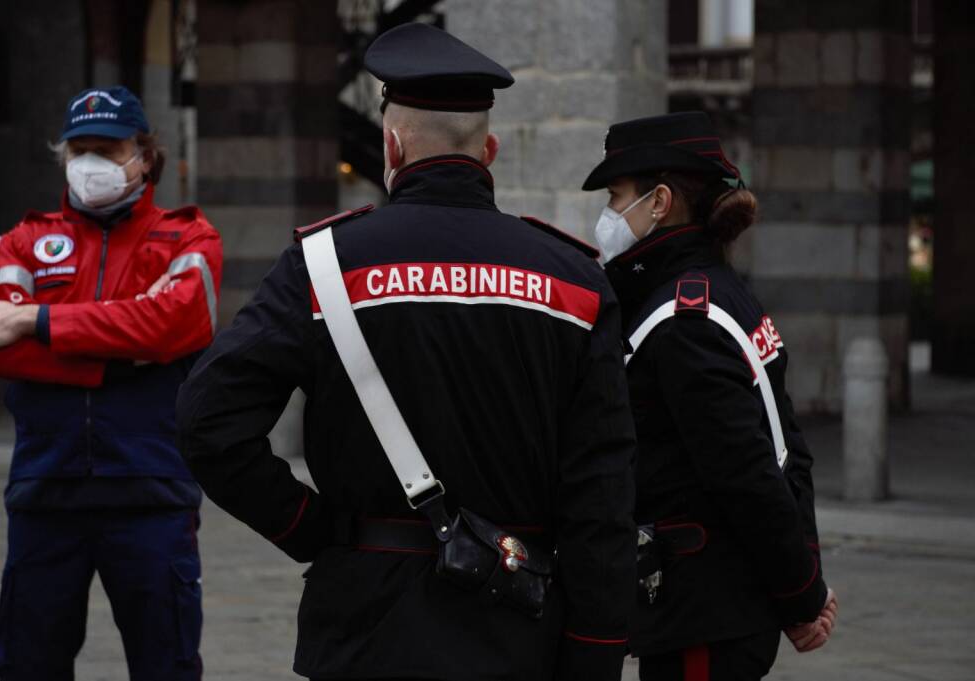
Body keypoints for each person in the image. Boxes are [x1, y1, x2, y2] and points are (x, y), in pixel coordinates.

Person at [176, 22, 637, 681]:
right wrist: (595, 646)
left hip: (365, 623)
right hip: (518, 625)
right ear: (491, 150)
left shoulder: (324, 265)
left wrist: (309, 527)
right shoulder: (573, 280)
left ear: (390, 145)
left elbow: (206, 418)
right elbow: (604, 487)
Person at [0, 85, 222, 681]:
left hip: (151, 490)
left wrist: (35, 320)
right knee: (28, 664)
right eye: (80, 149)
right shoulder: (25, 241)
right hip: (45, 490)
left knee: (167, 664)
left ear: (145, 155)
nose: (93, 163)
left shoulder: (187, 238)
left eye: (109, 150)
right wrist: (129, 348)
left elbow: (179, 325)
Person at [581, 111, 838, 681]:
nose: (606, 216)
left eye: (615, 196)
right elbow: (788, 450)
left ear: (659, 202)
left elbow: (747, 473)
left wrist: (801, 596)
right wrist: (804, 579)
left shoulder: (682, 318)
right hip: (719, 605)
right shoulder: (719, 292)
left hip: (705, 609)